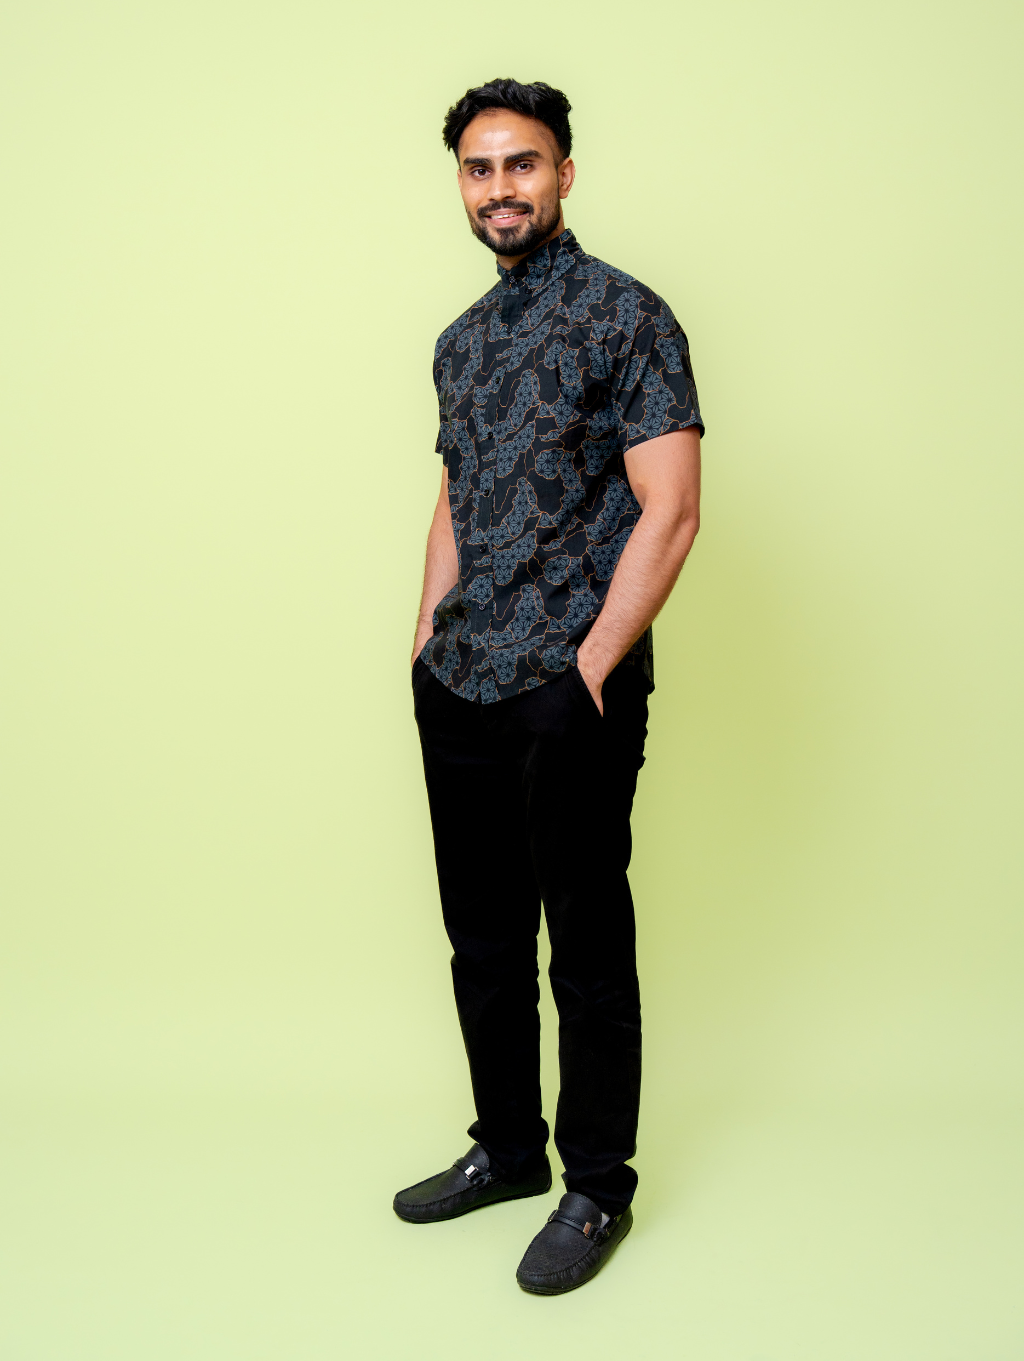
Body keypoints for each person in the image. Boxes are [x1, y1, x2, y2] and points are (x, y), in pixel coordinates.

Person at [393, 77, 704, 1295]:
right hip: (461, 678)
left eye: (521, 163)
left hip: (569, 683)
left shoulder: (629, 316)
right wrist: (424, 633)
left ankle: (595, 1185)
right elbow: (455, 497)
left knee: (584, 942)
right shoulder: (459, 341)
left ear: (564, 173)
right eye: (479, 169)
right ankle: (509, 1150)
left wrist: (593, 663)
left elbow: (670, 510)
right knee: (480, 940)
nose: (499, 187)